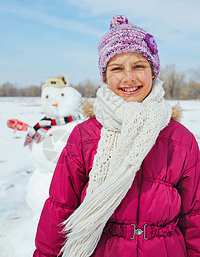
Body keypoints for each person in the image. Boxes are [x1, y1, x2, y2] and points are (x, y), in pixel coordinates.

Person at [33, 15, 200, 257]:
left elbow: (194, 215)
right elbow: (60, 208)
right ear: (105, 77)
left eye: (139, 66)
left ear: (153, 71)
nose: (128, 77)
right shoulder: (85, 136)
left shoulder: (180, 140)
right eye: (117, 68)